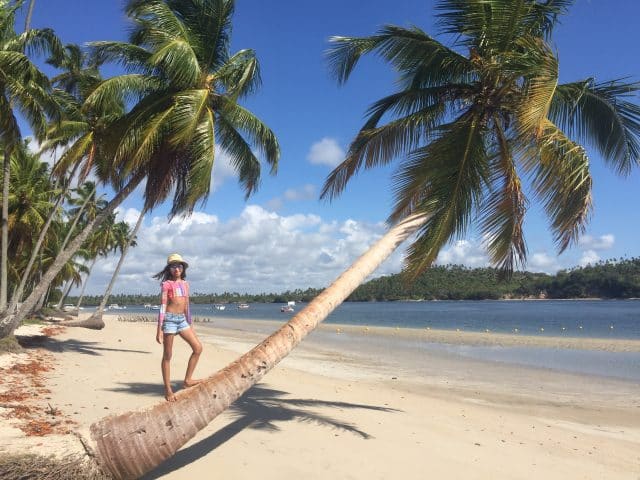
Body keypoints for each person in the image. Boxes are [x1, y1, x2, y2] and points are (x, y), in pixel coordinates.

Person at [153, 253, 203, 401]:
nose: (177, 268)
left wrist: (191, 325)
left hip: (182, 320)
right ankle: (168, 389)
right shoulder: (166, 284)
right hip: (169, 320)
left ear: (183, 268)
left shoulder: (185, 284)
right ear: (169, 269)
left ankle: (187, 380)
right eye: (173, 266)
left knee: (198, 348)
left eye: (179, 265)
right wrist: (159, 330)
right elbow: (162, 307)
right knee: (168, 356)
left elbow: (187, 306)